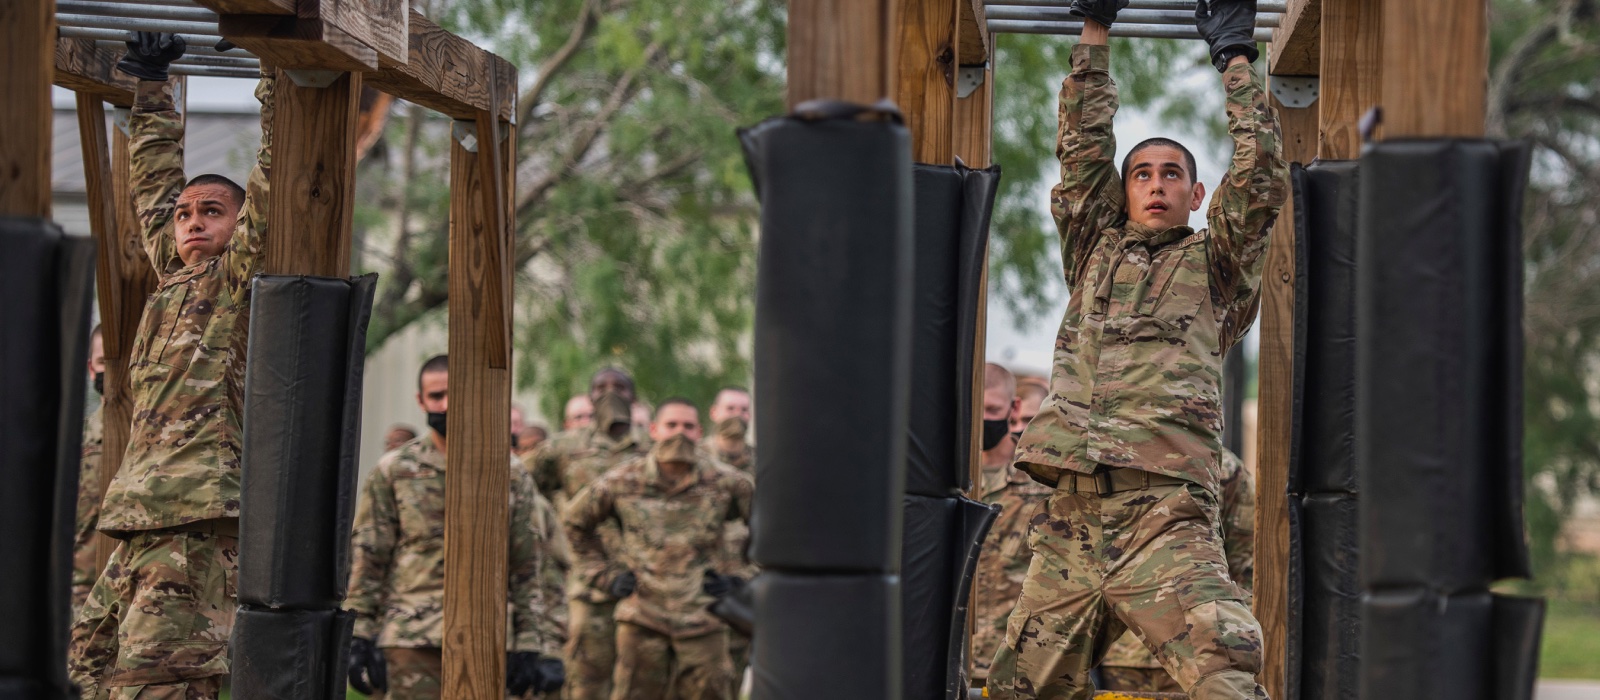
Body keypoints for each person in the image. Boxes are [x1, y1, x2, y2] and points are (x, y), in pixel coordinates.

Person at [987, 1, 1287, 697]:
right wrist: (1095, 29)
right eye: (1142, 174)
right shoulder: (1094, 249)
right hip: (1072, 523)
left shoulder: (1216, 265)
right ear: (1123, 193)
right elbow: (1082, 148)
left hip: (1164, 520)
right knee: (1017, 688)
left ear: (1197, 193)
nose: (1155, 185)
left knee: (1224, 672)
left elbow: (1262, 173)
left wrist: (1234, 59)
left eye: (1171, 174)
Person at [66, 33, 277, 698]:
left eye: (212, 212)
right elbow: (153, 188)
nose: (191, 223)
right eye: (186, 215)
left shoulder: (235, 283)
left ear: (240, 226)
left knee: (158, 682)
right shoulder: (173, 282)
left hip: (197, 522)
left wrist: (275, 63)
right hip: (141, 516)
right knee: (84, 668)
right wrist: (151, 83)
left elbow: (273, 173)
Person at [345, 355, 564, 699]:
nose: (447, 404)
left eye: (455, 393)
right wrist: (359, 633)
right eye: (436, 396)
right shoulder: (395, 470)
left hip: (489, 638)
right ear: (420, 401)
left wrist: (533, 642)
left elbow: (527, 564)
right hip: (412, 640)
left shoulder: (508, 471)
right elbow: (369, 557)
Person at [563, 399, 754, 700]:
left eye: (688, 426)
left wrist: (742, 579)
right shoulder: (623, 480)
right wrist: (604, 575)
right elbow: (573, 523)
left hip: (703, 620)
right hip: (642, 619)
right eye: (671, 425)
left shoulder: (727, 482)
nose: (679, 433)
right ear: (653, 430)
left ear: (699, 432)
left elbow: (776, 533)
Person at [531, 367, 650, 700]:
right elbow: (519, 485)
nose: (610, 394)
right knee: (586, 682)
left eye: (620, 387)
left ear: (633, 397)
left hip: (645, 587)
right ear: (590, 397)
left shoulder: (653, 448)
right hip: (587, 586)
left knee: (641, 684)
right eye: (601, 387)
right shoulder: (563, 448)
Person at [1100, 447, 1255, 691]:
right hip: (1151, 652)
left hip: (1191, 650)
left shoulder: (1224, 468)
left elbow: (1243, 566)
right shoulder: (1220, 464)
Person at [971, 363, 1055, 687]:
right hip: (953, 657)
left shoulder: (1041, 481)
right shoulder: (944, 482)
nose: (982, 419)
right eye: (975, 409)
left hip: (1018, 664)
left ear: (1014, 407)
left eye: (992, 409)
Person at [70, 325, 107, 619]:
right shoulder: (74, 443)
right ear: (91, 369)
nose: (112, 371)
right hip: (82, 601)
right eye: (103, 362)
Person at [705, 386, 754, 471]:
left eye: (744, 410)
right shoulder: (697, 455)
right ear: (714, 413)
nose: (737, 414)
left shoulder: (761, 458)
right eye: (730, 408)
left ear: (750, 415)